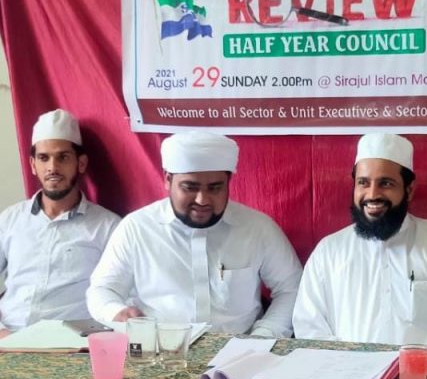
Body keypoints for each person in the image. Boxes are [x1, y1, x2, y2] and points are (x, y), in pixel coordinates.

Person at [86, 131, 301, 337]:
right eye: (190, 187)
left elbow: (291, 289)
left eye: (214, 188)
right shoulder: (137, 228)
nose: (202, 200)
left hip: (242, 352)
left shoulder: (257, 228)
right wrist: (116, 312)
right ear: (168, 180)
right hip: (160, 350)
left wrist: (264, 335)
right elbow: (102, 289)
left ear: (228, 183)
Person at [293, 133, 427, 348]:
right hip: (345, 368)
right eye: (363, 183)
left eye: (386, 183)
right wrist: (347, 365)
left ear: (409, 190)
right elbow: (310, 325)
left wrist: (424, 366)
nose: (372, 194)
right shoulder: (329, 251)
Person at [0, 109, 120, 347]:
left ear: (81, 163)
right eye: (43, 158)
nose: (52, 167)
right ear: (33, 164)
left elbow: (124, 297)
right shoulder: (10, 221)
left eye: (63, 157)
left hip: (70, 349)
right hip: (6, 343)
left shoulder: (108, 227)